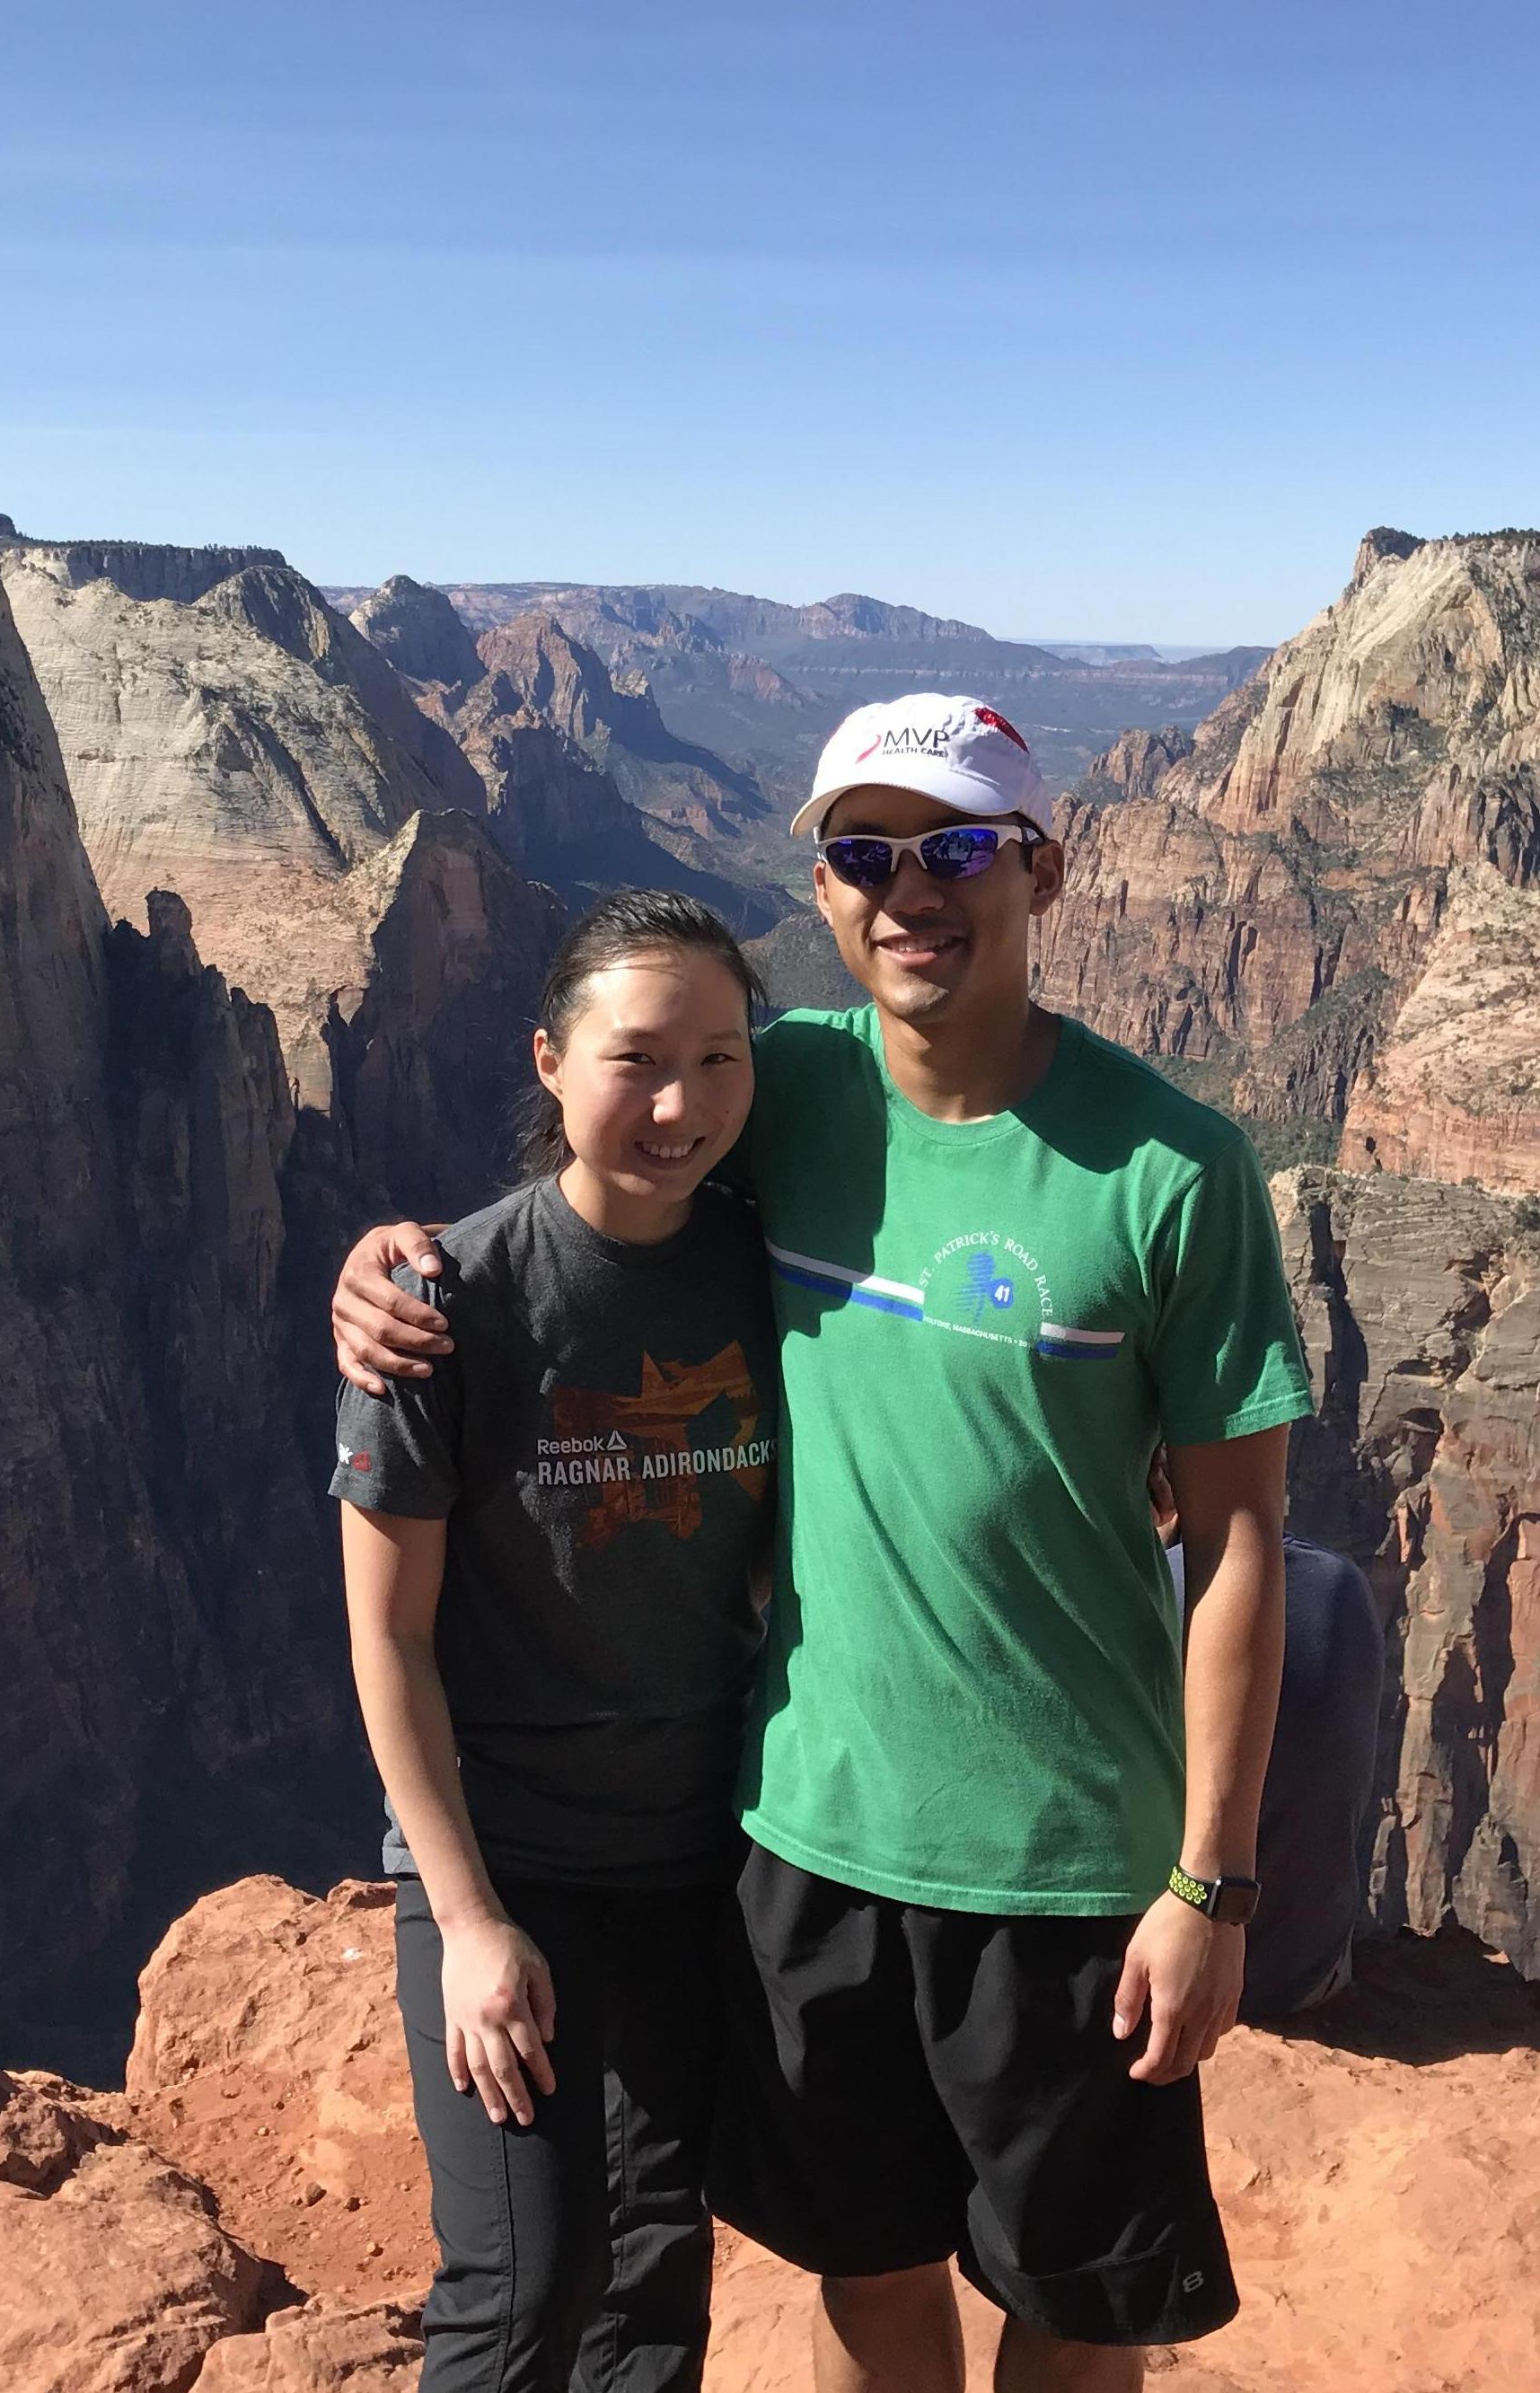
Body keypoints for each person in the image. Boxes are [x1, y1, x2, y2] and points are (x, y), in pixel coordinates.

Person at [338, 694, 1315, 2393]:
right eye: (863, 854)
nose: (907, 890)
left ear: (1040, 869)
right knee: (863, 2274)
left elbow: (1238, 1541)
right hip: (807, 1841)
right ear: (824, 883)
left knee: (1076, 2311)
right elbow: (608, 1168)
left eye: (952, 848)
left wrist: (1206, 1885)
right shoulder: (773, 1076)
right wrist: (387, 1269)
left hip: (1072, 1864)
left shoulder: (1175, 1167)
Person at [333, 888, 779, 2392]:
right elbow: (386, 1638)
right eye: (635, 1058)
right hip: (503, 1854)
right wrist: (465, 1924)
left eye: (720, 1059)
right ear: (545, 1058)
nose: (679, 1103)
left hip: (693, 1857)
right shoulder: (438, 1301)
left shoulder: (772, 1261)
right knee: (524, 2278)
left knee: (653, 2269)